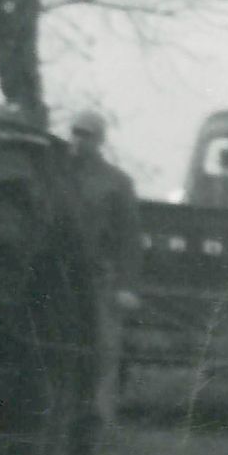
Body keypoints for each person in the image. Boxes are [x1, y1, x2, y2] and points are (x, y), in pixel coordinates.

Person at [70, 107, 143, 429]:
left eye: (86, 134)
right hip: (62, 274)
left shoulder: (116, 183)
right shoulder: (57, 176)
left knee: (104, 348)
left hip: (100, 277)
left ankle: (100, 419)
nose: (79, 140)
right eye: (76, 132)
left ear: (99, 140)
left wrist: (126, 286)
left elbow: (129, 237)